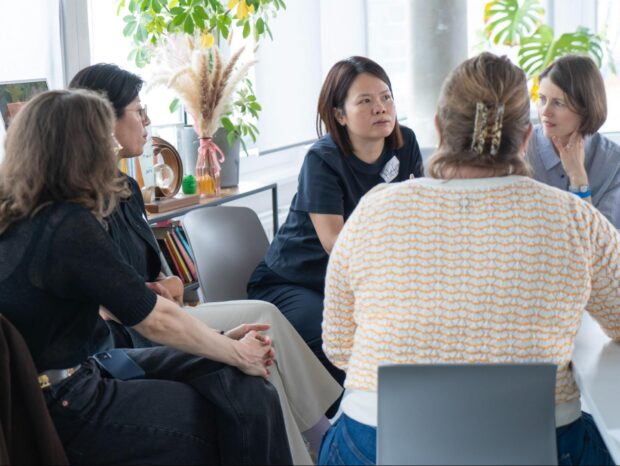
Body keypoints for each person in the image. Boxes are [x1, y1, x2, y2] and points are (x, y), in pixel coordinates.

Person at [319, 52, 619, 465]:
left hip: (377, 441)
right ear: (527, 138)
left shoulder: (374, 210)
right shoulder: (574, 217)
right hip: (539, 444)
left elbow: (338, 345)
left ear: (440, 129)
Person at [0, 89, 292, 465]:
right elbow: (155, 318)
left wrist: (219, 343)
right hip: (70, 399)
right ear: (80, 149)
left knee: (244, 388)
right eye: (103, 136)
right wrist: (233, 350)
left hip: (79, 372)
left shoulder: (21, 218)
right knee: (234, 405)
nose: (111, 146)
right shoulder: (66, 226)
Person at [69, 63, 342, 464]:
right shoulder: (76, 207)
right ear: (102, 118)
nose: (147, 122)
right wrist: (133, 300)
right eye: (138, 111)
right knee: (257, 338)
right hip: (132, 332)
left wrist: (170, 283)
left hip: (163, 310)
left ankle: (320, 438)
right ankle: (312, 449)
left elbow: (161, 272)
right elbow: (99, 301)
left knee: (263, 317)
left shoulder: (126, 187)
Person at [247, 56, 425, 388]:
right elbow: (337, 244)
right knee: (338, 337)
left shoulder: (405, 143)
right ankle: (338, 427)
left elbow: (417, 216)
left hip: (360, 281)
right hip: (295, 281)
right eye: (366, 101)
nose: (381, 108)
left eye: (386, 97)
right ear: (340, 115)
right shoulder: (322, 159)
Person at [526, 54, 620, 229]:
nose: (545, 112)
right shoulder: (522, 148)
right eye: (542, 99)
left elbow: (604, 247)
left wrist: (578, 177)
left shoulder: (614, 164)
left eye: (559, 103)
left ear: (586, 108)